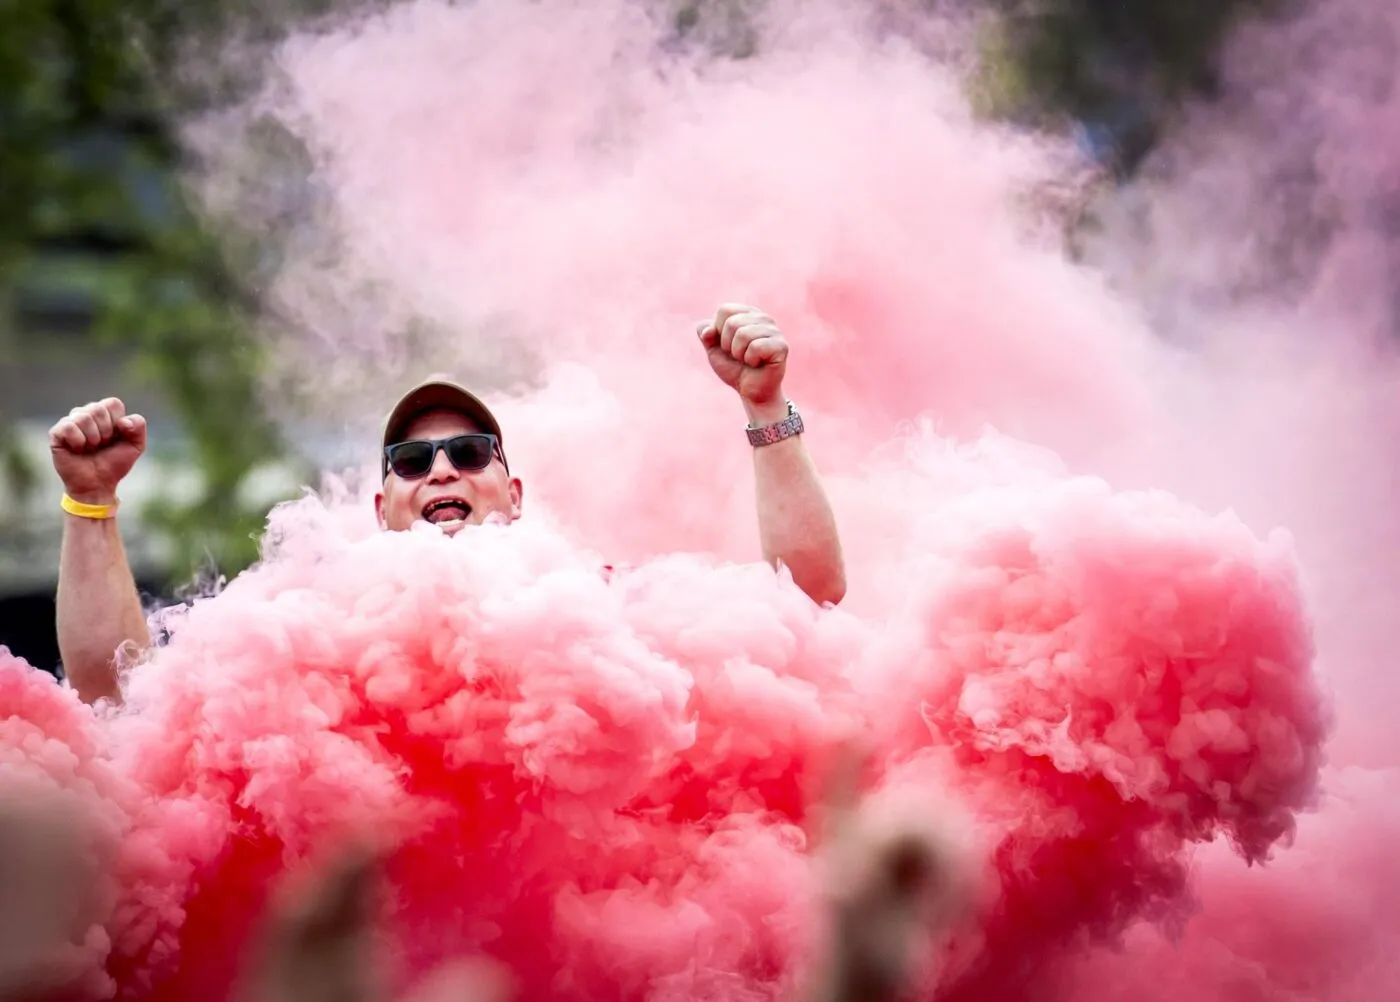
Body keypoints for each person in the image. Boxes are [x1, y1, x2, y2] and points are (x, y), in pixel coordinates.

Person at [48, 304, 847, 705]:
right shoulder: (310, 623)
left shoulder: (599, 610)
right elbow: (118, 694)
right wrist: (92, 504)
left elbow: (804, 598)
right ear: (381, 503)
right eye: (412, 459)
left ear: (515, 493)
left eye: (470, 454)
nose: (441, 470)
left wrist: (764, 407)